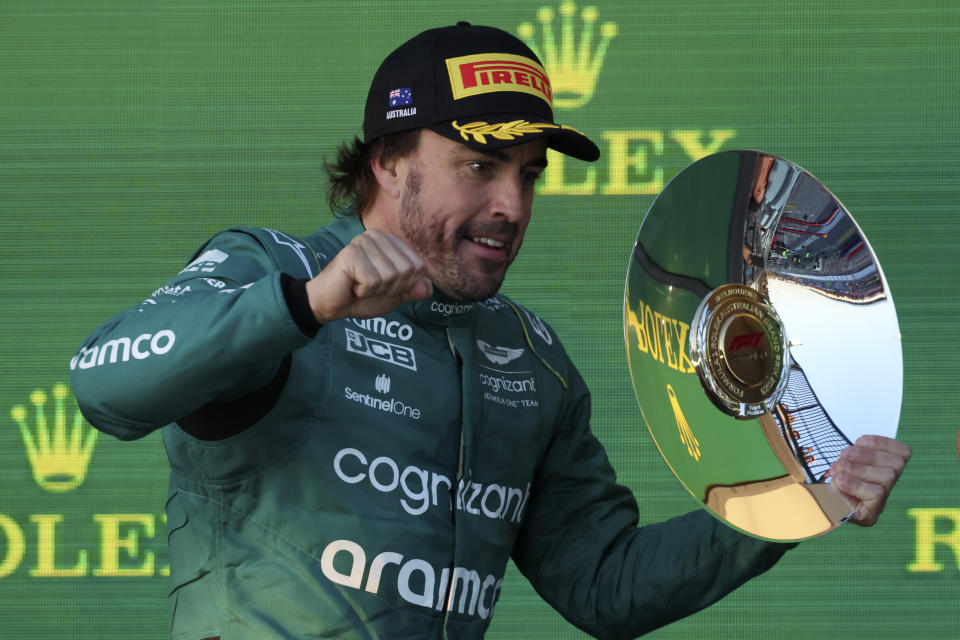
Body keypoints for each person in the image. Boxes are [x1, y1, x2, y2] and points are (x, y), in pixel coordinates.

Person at [70, 22, 910, 640]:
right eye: (480, 165)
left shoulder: (534, 359)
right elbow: (103, 386)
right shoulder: (274, 270)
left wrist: (799, 500)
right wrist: (305, 305)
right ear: (387, 161)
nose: (511, 206)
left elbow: (605, 586)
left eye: (528, 175)